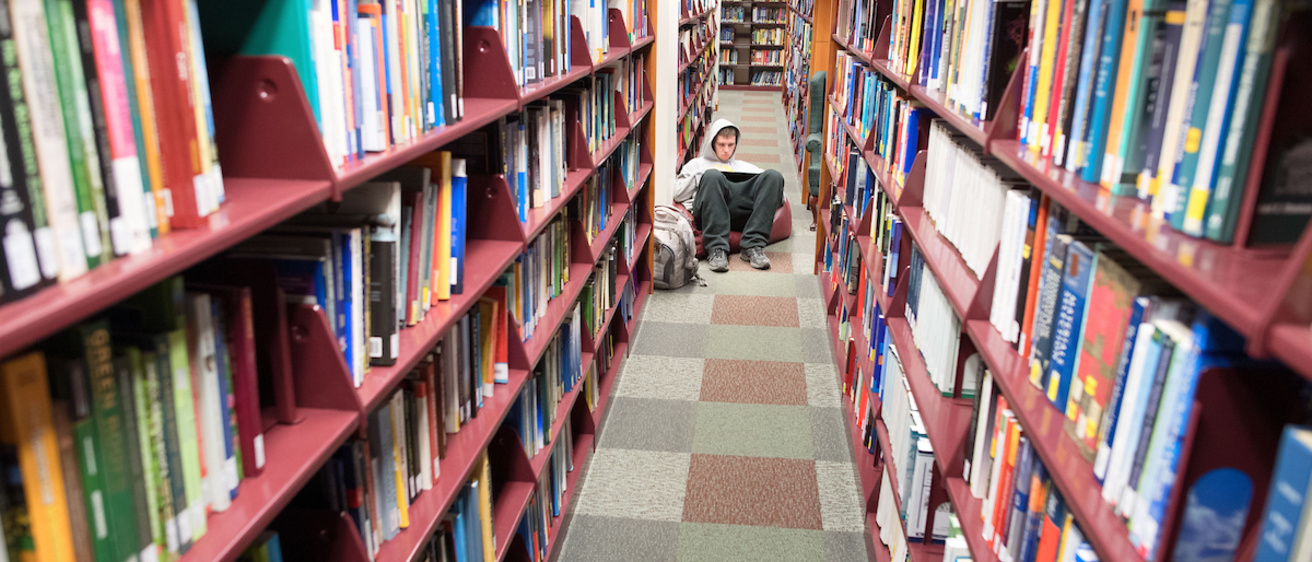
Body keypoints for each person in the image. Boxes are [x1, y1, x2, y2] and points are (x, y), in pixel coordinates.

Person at [673, 119, 785, 272]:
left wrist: (772, 188)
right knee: (713, 176)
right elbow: (678, 194)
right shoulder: (696, 165)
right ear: (713, 143)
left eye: (731, 145)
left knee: (774, 176)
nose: (726, 150)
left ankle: (753, 246)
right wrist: (701, 175)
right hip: (711, 213)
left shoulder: (745, 166)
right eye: (721, 145)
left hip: (742, 213)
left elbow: (780, 199)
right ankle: (717, 249)